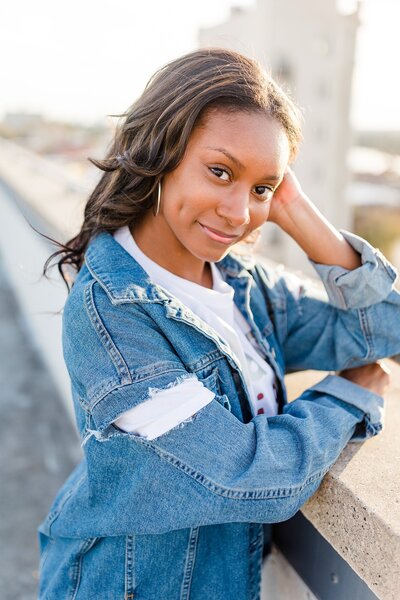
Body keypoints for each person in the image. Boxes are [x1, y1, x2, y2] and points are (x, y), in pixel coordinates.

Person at [38, 48, 399, 599]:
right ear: (162, 152)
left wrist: (300, 215)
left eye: (261, 189)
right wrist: (348, 396)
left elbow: (386, 327)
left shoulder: (244, 287)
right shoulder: (112, 314)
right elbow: (250, 477)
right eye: (220, 171)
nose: (239, 212)